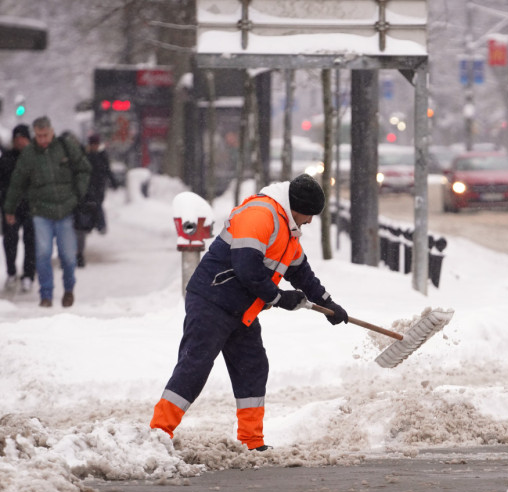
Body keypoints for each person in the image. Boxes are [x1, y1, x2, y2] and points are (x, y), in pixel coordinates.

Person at [149, 174, 349, 451]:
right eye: (309, 214)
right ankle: (157, 433)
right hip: (211, 299)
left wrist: (330, 305)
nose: (311, 221)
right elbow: (247, 268)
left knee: (253, 366)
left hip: (240, 309)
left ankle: (251, 441)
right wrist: (280, 298)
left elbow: (302, 274)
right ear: (295, 207)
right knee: (196, 365)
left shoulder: (288, 230)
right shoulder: (260, 215)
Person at [3, 116, 91, 308]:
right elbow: (17, 183)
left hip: (66, 209)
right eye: (39, 135)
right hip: (41, 211)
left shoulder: (65, 147)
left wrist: (77, 194)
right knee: (42, 254)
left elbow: (84, 169)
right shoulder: (28, 154)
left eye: (45, 135)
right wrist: (9, 209)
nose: (42, 139)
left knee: (68, 256)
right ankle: (46, 294)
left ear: (52, 132)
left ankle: (68, 289)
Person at [0, 124, 36, 293]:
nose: (20, 142)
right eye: (17, 139)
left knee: (31, 242)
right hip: (11, 208)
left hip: (32, 207)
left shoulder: (37, 158)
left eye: (23, 139)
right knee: (10, 241)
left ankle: (28, 276)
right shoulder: (6, 159)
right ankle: (11, 272)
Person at [75, 133, 116, 267]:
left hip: (96, 192)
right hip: (85, 193)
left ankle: (99, 225)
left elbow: (107, 171)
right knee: (81, 224)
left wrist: (112, 181)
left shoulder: (101, 156)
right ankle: (79, 253)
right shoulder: (85, 156)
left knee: (95, 210)